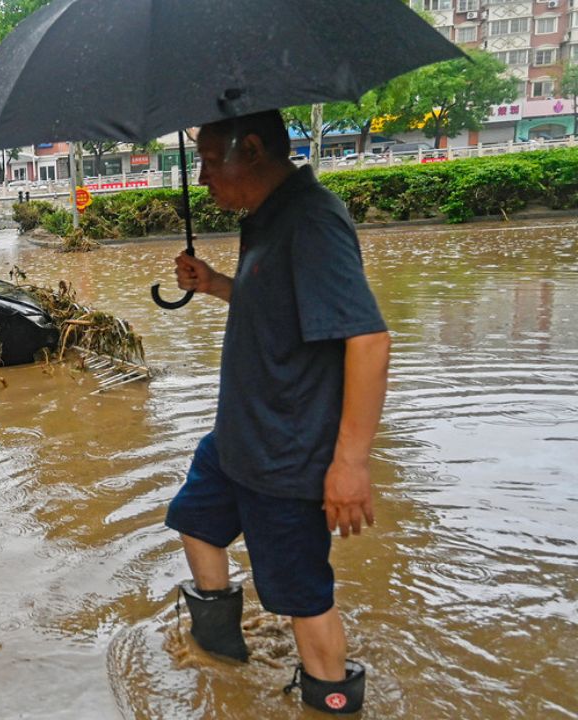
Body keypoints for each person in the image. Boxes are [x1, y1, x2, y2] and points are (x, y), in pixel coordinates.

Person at [164, 110, 391, 715]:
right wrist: (216, 285)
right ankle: (221, 659)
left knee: (300, 594)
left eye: (211, 160)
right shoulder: (265, 219)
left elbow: (368, 340)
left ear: (254, 149)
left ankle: (331, 700)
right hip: (237, 438)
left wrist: (350, 463)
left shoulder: (312, 220)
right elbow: (282, 305)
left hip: (287, 453)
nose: (203, 176)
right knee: (195, 520)